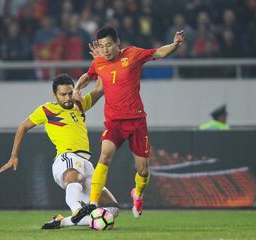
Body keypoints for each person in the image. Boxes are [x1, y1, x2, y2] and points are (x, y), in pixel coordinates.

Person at [71, 26, 185, 223]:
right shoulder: (99, 62)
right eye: (102, 46)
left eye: (109, 45)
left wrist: (175, 45)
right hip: (114, 122)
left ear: (117, 43)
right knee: (104, 157)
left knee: (143, 170)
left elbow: (158, 52)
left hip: (136, 121)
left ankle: (138, 195)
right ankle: (92, 203)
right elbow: (88, 75)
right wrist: (76, 88)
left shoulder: (132, 54)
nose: (106, 50)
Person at [0, 73, 119, 229]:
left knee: (112, 209)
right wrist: (13, 156)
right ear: (54, 94)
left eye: (70, 93)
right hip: (66, 158)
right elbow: (23, 126)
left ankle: (62, 222)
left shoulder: (80, 104)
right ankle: (76, 210)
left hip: (86, 162)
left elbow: (100, 88)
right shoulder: (47, 109)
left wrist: (101, 63)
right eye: (63, 94)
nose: (67, 98)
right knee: (76, 177)